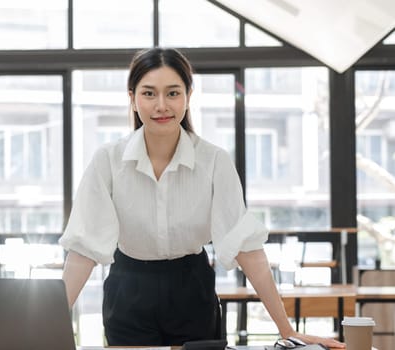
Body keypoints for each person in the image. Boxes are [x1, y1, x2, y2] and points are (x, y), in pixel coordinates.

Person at [59, 47, 345, 348]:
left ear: (188, 96)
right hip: (128, 290)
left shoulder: (214, 161)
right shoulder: (108, 160)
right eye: (148, 94)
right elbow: (84, 250)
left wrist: (287, 329)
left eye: (172, 93)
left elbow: (246, 248)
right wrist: (42, 328)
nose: (161, 105)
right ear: (132, 98)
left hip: (192, 290)